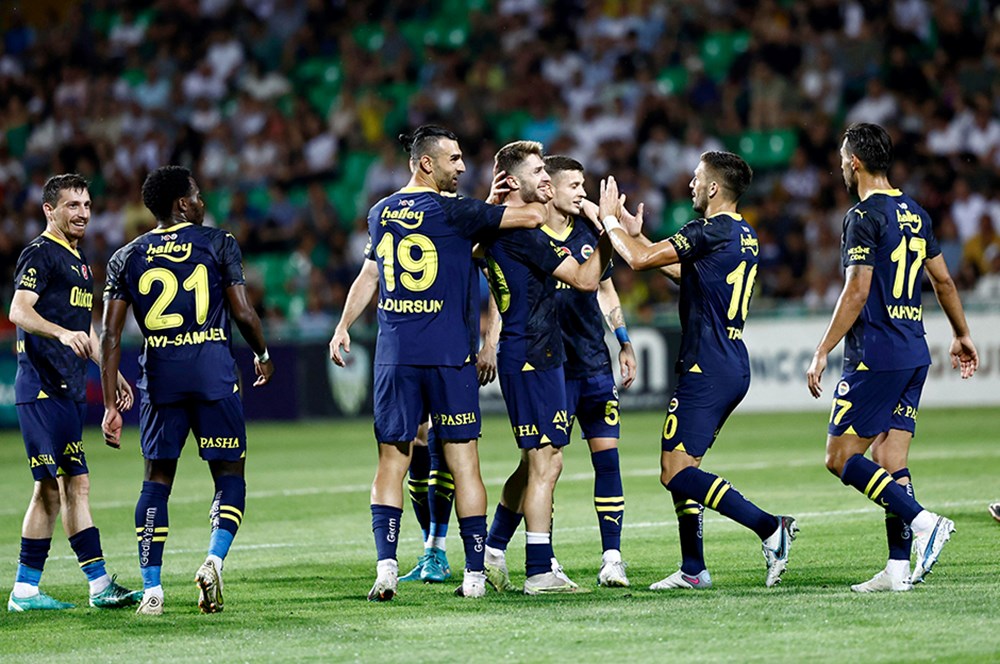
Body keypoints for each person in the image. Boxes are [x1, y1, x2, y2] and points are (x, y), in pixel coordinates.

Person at [328, 125, 547, 601]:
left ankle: (386, 569)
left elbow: (369, 275)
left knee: (392, 463)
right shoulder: (455, 211)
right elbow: (528, 218)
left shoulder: (380, 212)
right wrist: (541, 195)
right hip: (449, 358)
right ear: (426, 163)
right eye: (454, 159)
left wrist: (343, 325)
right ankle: (472, 575)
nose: (462, 166)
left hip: (396, 356)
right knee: (464, 463)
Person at [602, 153, 798, 590]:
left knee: (674, 471)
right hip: (726, 358)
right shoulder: (742, 232)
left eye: (696, 178)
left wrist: (610, 222)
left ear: (713, 188)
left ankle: (770, 527)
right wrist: (641, 237)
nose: (689, 185)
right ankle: (694, 569)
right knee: (685, 465)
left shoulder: (708, 229)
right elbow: (689, 274)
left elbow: (637, 261)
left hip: (706, 364)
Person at [806, 123, 978, 592]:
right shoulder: (916, 213)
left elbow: (857, 289)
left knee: (840, 457)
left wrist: (822, 349)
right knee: (889, 456)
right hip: (914, 351)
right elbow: (943, 281)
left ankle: (925, 522)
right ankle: (898, 568)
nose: (841, 165)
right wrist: (961, 334)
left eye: (844, 158)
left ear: (855, 162)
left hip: (875, 355)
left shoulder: (863, 216)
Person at [100, 165, 275, 615]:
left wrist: (109, 404)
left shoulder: (126, 256)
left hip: (161, 380)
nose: (202, 203)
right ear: (182, 203)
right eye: (196, 196)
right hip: (214, 373)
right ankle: (214, 560)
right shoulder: (218, 242)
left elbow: (110, 337)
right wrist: (262, 352)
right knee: (230, 476)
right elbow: (242, 311)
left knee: (157, 480)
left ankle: (152, 589)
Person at [478, 154, 636, 589]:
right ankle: (529, 561)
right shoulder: (526, 232)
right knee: (540, 465)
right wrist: (489, 340)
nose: (578, 193)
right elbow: (502, 286)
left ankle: (608, 558)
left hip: (586, 361)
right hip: (546, 361)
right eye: (572, 186)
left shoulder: (569, 231)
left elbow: (602, 287)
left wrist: (623, 340)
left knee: (587, 459)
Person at [8, 173, 142, 612]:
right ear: (50, 210)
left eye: (86, 204)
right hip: (41, 389)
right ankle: (88, 585)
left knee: (70, 486)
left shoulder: (79, 261)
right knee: (54, 487)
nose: (82, 212)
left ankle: (37, 590)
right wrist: (62, 334)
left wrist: (111, 371)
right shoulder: (41, 253)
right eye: (72, 205)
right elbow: (19, 310)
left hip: (66, 389)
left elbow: (84, 329)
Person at [329, 261, 455, 584]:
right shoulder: (386, 220)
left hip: (446, 341)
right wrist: (344, 323)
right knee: (415, 438)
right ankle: (431, 549)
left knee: (447, 441)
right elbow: (369, 273)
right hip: (406, 347)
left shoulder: (450, 213)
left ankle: (439, 550)